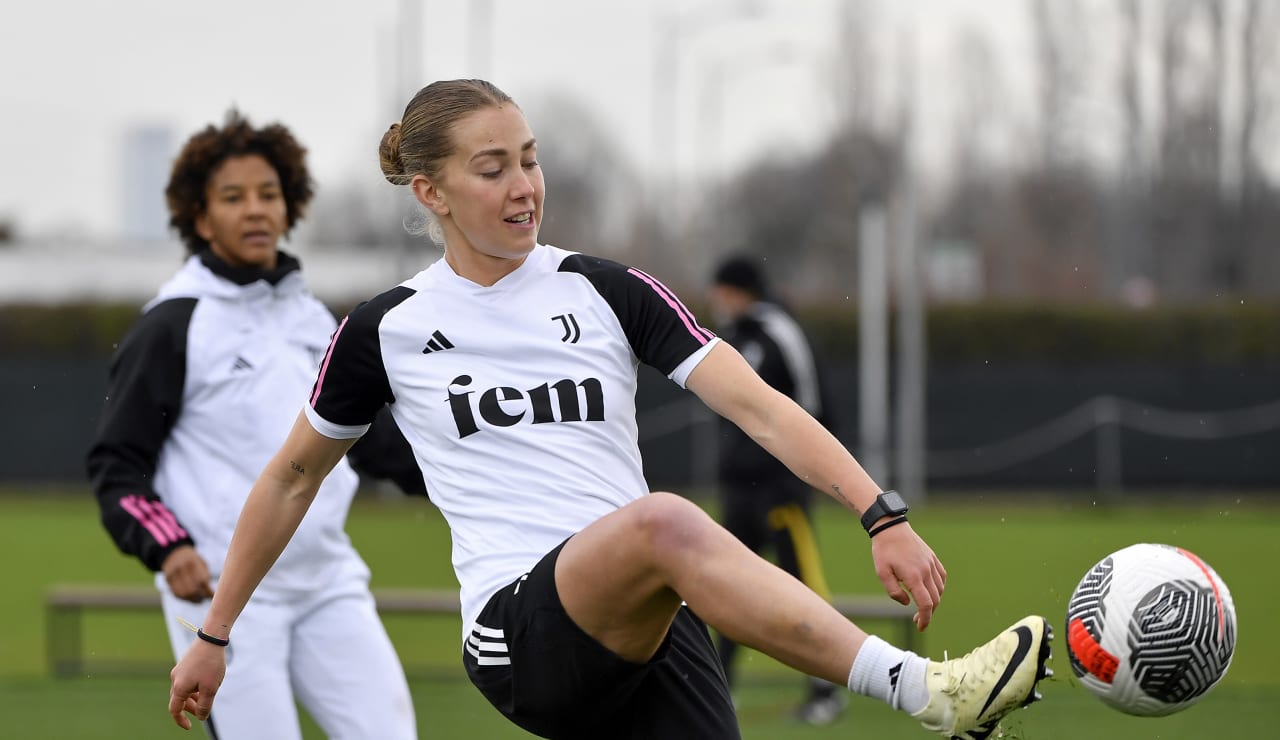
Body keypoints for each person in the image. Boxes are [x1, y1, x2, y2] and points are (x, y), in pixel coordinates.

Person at [168, 80, 1053, 740]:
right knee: (664, 521)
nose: (525, 187)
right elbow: (289, 480)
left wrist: (880, 513)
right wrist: (215, 634)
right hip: (518, 633)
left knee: (658, 535)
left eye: (531, 158)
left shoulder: (605, 288)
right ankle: (932, 696)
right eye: (492, 169)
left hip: (649, 617)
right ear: (431, 193)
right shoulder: (386, 328)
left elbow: (762, 409)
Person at [88, 110, 420, 740]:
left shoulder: (314, 318)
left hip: (328, 581)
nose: (255, 210)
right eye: (233, 197)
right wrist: (169, 546)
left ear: (290, 204)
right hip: (225, 597)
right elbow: (116, 467)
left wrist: (477, 475)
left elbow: (372, 446)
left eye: (269, 194)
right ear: (200, 214)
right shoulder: (172, 324)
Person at [707, 254, 846, 725]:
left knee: (801, 589)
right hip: (739, 493)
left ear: (738, 289)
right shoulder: (732, 338)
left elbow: (813, 406)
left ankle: (826, 692)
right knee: (722, 587)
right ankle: (716, 689)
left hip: (781, 492)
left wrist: (802, 477)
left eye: (721, 290)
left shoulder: (781, 331)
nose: (715, 300)